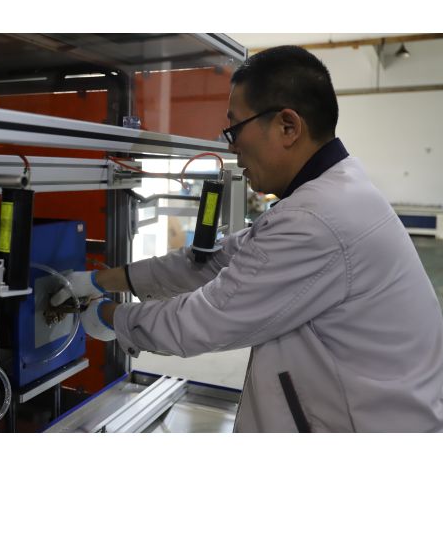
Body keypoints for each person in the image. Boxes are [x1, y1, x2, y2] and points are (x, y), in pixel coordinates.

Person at [51, 45, 443, 432]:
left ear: (288, 127)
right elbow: (212, 261)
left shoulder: (316, 219)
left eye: (235, 129)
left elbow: (202, 321)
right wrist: (100, 280)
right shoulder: (330, 196)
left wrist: (107, 317)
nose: (231, 146)